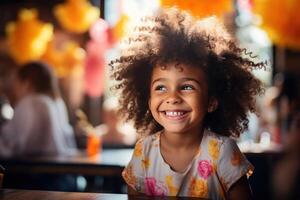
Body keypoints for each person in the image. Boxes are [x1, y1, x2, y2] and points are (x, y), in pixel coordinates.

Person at [110, 7, 265, 199]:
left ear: (211, 101)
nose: (173, 97)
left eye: (187, 87)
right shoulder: (144, 151)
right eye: (160, 88)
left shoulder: (223, 152)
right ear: (148, 101)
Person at [0, 61, 77, 157]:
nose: (14, 89)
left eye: (16, 83)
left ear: (27, 83)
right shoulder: (57, 102)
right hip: (60, 167)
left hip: (35, 168)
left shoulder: (31, 103)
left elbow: (20, 147)